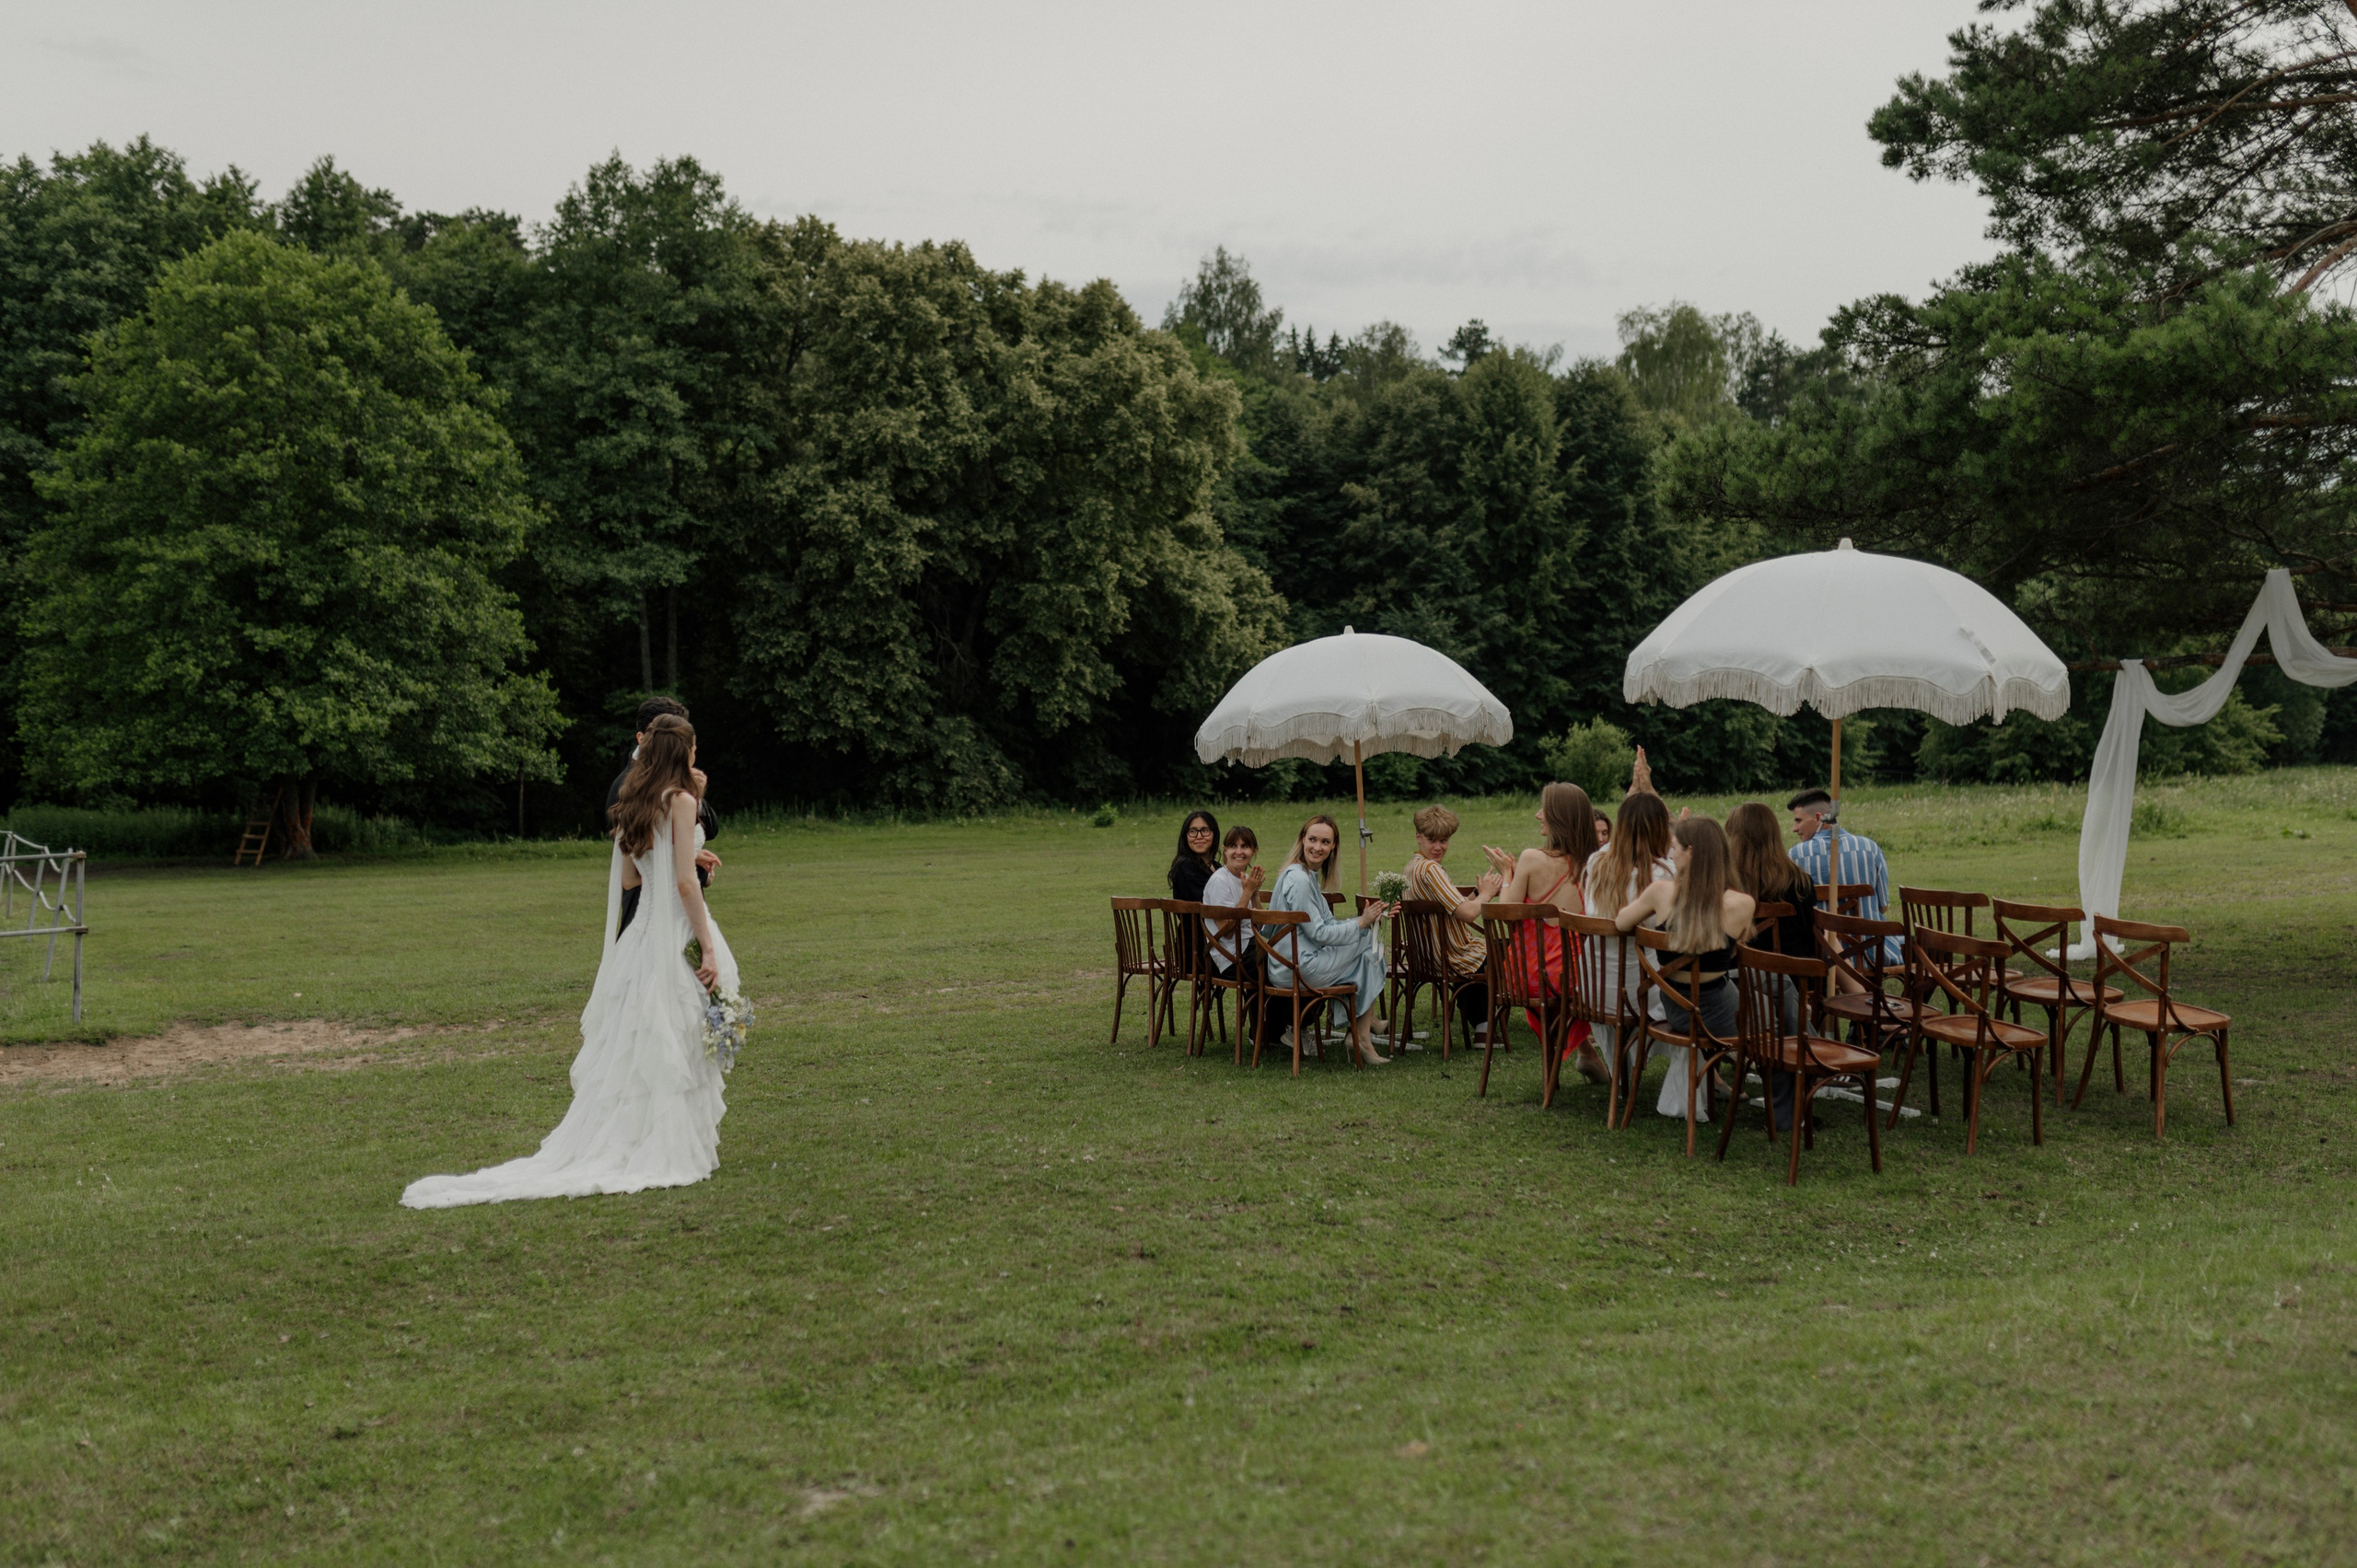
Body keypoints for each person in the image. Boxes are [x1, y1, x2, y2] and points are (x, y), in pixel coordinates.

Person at [403, 714, 737, 1206]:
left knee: (639, 1042)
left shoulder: (632, 804)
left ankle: (632, 1137)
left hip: (639, 937)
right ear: (680, 753)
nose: (695, 758)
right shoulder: (683, 800)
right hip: (671, 933)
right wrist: (706, 944)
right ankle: (665, 1145)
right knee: (674, 1037)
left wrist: (681, 862)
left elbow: (630, 881)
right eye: (692, 749)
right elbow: (684, 884)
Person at [1616, 815, 1754, 1126]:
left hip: (1676, 1006)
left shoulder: (1661, 892)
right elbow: (1736, 950)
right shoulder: (1742, 903)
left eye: (1674, 848)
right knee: (1779, 1012)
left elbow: (1621, 922)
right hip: (1718, 1012)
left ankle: (1720, 1080)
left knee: (1767, 996)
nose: (1670, 855)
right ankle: (1790, 1102)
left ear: (1691, 852)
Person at [1479, 784, 1605, 1082]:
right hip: (1580, 978)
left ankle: (1584, 1056)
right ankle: (1588, 1054)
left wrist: (1508, 874)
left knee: (1545, 988)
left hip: (1524, 975)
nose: (1537, 815)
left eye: (1543, 809)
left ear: (1559, 816)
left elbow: (1506, 912)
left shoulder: (1532, 859)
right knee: (1562, 986)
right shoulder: (1594, 865)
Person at [1261, 815, 1395, 1066]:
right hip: (1297, 968)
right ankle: (1366, 1025)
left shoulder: (1305, 875)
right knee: (1370, 942)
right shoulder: (1299, 880)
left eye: (1325, 842)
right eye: (1312, 839)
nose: (1317, 847)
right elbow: (1320, 934)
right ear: (1302, 840)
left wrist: (1371, 917)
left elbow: (1329, 925)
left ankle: (1363, 1034)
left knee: (1368, 953)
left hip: (1295, 963)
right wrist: (1363, 923)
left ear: (1333, 846)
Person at [1584, 789, 1675, 1101]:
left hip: (1593, 990)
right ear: (1661, 829)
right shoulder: (1664, 873)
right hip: (1640, 994)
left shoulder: (1596, 861)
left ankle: (1624, 1074)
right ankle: (1705, 1080)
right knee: (1698, 994)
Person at [610, 696, 722, 937]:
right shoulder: (625, 788)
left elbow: (711, 829)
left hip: (684, 910)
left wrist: (697, 798)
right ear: (644, 738)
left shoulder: (679, 783)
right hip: (648, 911)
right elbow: (640, 858)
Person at [1402, 805, 1505, 1051]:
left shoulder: (1413, 867)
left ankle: (1482, 1025)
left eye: (1444, 840)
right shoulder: (1431, 869)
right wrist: (1488, 895)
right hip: (1450, 954)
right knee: (1505, 952)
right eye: (1432, 840)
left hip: (1427, 954)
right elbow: (1468, 915)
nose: (1438, 847)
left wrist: (1478, 893)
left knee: (1489, 952)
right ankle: (1486, 1028)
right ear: (1418, 837)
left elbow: (1455, 907)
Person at [1786, 787, 1901, 961]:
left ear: (1818, 818)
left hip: (1824, 956)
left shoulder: (1795, 856)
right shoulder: (1870, 849)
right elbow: (1882, 906)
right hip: (1872, 956)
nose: (1794, 828)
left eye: (1798, 821)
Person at [1201, 824, 1265, 976]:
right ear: (1225, 849)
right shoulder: (1219, 881)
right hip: (1231, 956)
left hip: (1251, 948)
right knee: (1284, 970)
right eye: (1233, 846)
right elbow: (1227, 931)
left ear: (1254, 851)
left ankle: (1262, 1000)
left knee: (1291, 960)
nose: (1239, 852)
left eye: (1245, 846)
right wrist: (1247, 893)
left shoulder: (1246, 879)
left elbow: (1261, 926)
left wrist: (1254, 894)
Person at [1167, 810, 1220, 903]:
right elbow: (1212, 905)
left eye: (1205, 830)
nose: (1199, 836)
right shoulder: (1186, 866)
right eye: (1193, 831)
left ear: (1214, 834)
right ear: (1185, 836)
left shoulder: (1216, 866)